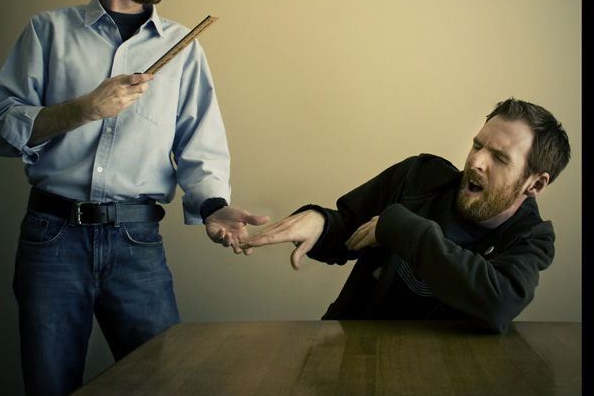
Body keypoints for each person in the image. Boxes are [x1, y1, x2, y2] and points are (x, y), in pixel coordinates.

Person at [0, 0, 268, 396]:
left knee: (165, 393)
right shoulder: (47, 31)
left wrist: (213, 206)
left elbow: (200, 144)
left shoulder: (184, 46)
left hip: (137, 241)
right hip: (51, 239)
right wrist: (84, 109)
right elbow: (1, 129)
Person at [240, 98, 570, 334]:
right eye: (477, 145)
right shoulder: (418, 177)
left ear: (535, 184)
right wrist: (320, 222)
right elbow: (350, 230)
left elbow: (497, 304)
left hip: (447, 381)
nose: (475, 161)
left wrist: (401, 228)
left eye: (499, 157)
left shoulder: (531, 238)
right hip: (351, 349)